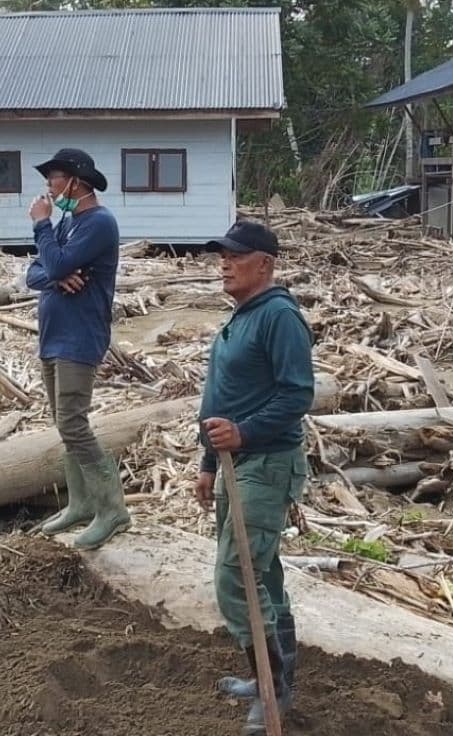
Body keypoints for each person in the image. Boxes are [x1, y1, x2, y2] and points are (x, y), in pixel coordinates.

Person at [195, 220, 313, 735]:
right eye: (221, 254)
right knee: (261, 573)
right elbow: (220, 397)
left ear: (264, 264)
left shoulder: (279, 317)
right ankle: (273, 675)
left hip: (265, 463)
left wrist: (243, 434)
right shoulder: (243, 317)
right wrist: (205, 462)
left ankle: (271, 688)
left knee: (236, 576)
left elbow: (297, 395)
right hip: (233, 462)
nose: (223, 263)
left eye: (235, 256)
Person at [23, 148, 130, 550]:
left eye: (53, 179)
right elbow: (36, 273)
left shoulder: (98, 223)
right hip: (53, 336)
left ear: (75, 181)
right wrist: (56, 276)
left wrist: (40, 227)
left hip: (79, 337)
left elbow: (51, 263)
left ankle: (112, 509)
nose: (48, 189)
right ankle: (81, 503)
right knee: (62, 421)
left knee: (73, 421)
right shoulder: (69, 224)